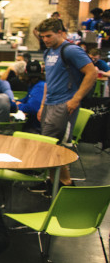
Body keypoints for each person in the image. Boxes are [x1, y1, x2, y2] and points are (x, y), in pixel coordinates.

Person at [37, 18, 99, 188]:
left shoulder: (71, 50)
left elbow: (91, 73)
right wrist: (43, 105)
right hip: (50, 103)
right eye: (43, 37)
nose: (45, 40)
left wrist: (75, 99)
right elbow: (49, 81)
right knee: (47, 144)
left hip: (65, 103)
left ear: (60, 33)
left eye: (49, 36)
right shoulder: (48, 52)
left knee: (55, 146)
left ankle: (65, 184)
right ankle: (52, 181)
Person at [18, 60, 46, 131]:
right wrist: (16, 102)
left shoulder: (40, 86)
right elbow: (26, 99)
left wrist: (17, 106)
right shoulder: (33, 85)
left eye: (34, 77)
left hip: (37, 127)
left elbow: (32, 108)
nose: (32, 79)